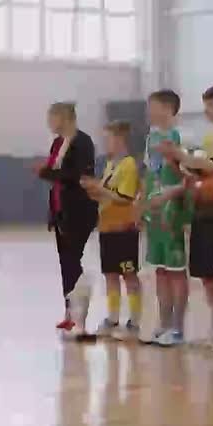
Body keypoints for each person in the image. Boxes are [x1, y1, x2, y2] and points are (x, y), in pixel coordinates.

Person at [157, 84, 213, 355]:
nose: (207, 110)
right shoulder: (208, 138)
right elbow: (196, 172)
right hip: (202, 208)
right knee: (207, 274)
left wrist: (183, 156)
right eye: (206, 105)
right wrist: (175, 161)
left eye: (212, 105)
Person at [35, 102, 97, 332]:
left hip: (79, 210)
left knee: (72, 259)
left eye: (52, 118)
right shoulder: (57, 143)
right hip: (60, 209)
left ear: (65, 118)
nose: (49, 123)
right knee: (65, 262)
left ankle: (80, 311)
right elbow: (55, 172)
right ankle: (69, 311)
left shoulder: (83, 142)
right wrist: (47, 172)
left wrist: (46, 172)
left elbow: (76, 174)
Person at [81, 121, 142, 340]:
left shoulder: (128, 165)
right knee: (110, 275)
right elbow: (106, 194)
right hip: (106, 227)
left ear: (120, 140)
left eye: (108, 139)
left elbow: (124, 197)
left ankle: (134, 321)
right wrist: (92, 190)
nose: (105, 143)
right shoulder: (109, 165)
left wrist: (99, 188)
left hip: (123, 229)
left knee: (129, 274)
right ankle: (113, 318)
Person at [139, 90, 190, 346]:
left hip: (173, 210)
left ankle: (178, 329)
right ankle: (164, 324)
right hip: (154, 209)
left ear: (168, 108)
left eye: (153, 106)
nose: (149, 111)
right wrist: (141, 203)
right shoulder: (151, 137)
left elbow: (190, 177)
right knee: (160, 270)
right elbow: (149, 173)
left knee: (176, 271)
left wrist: (171, 193)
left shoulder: (182, 136)